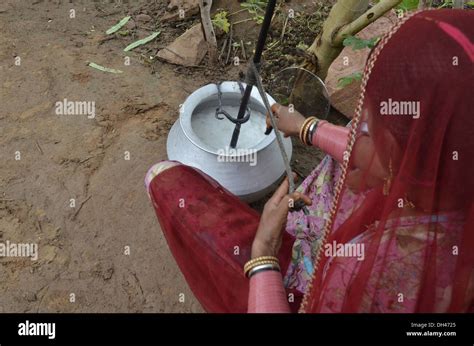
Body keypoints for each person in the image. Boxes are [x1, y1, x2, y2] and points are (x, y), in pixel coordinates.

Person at [145, 9, 473, 313]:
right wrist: (306, 127)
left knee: (164, 179)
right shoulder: (453, 167)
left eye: (371, 123)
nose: (361, 125)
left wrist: (263, 253)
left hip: (305, 288)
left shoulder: (369, 271)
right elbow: (390, 155)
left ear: (405, 148)